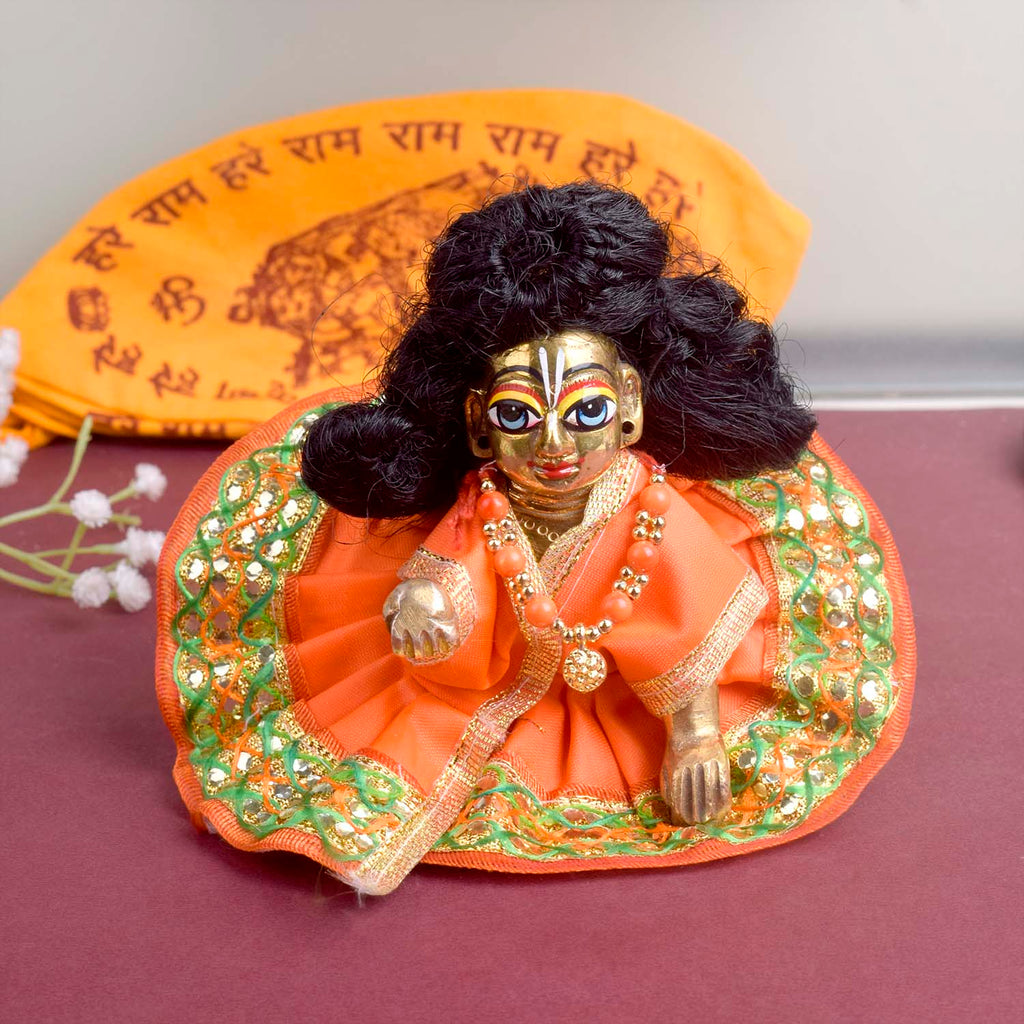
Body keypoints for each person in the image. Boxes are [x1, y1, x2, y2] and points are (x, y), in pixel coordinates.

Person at [156, 183, 914, 895]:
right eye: (519, 415)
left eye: (586, 413)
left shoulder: (647, 506)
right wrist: (423, 600)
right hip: (490, 675)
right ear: (478, 424)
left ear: (629, 407)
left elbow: (685, 628)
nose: (555, 445)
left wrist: (695, 737)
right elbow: (453, 565)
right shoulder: (484, 499)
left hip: (619, 702)